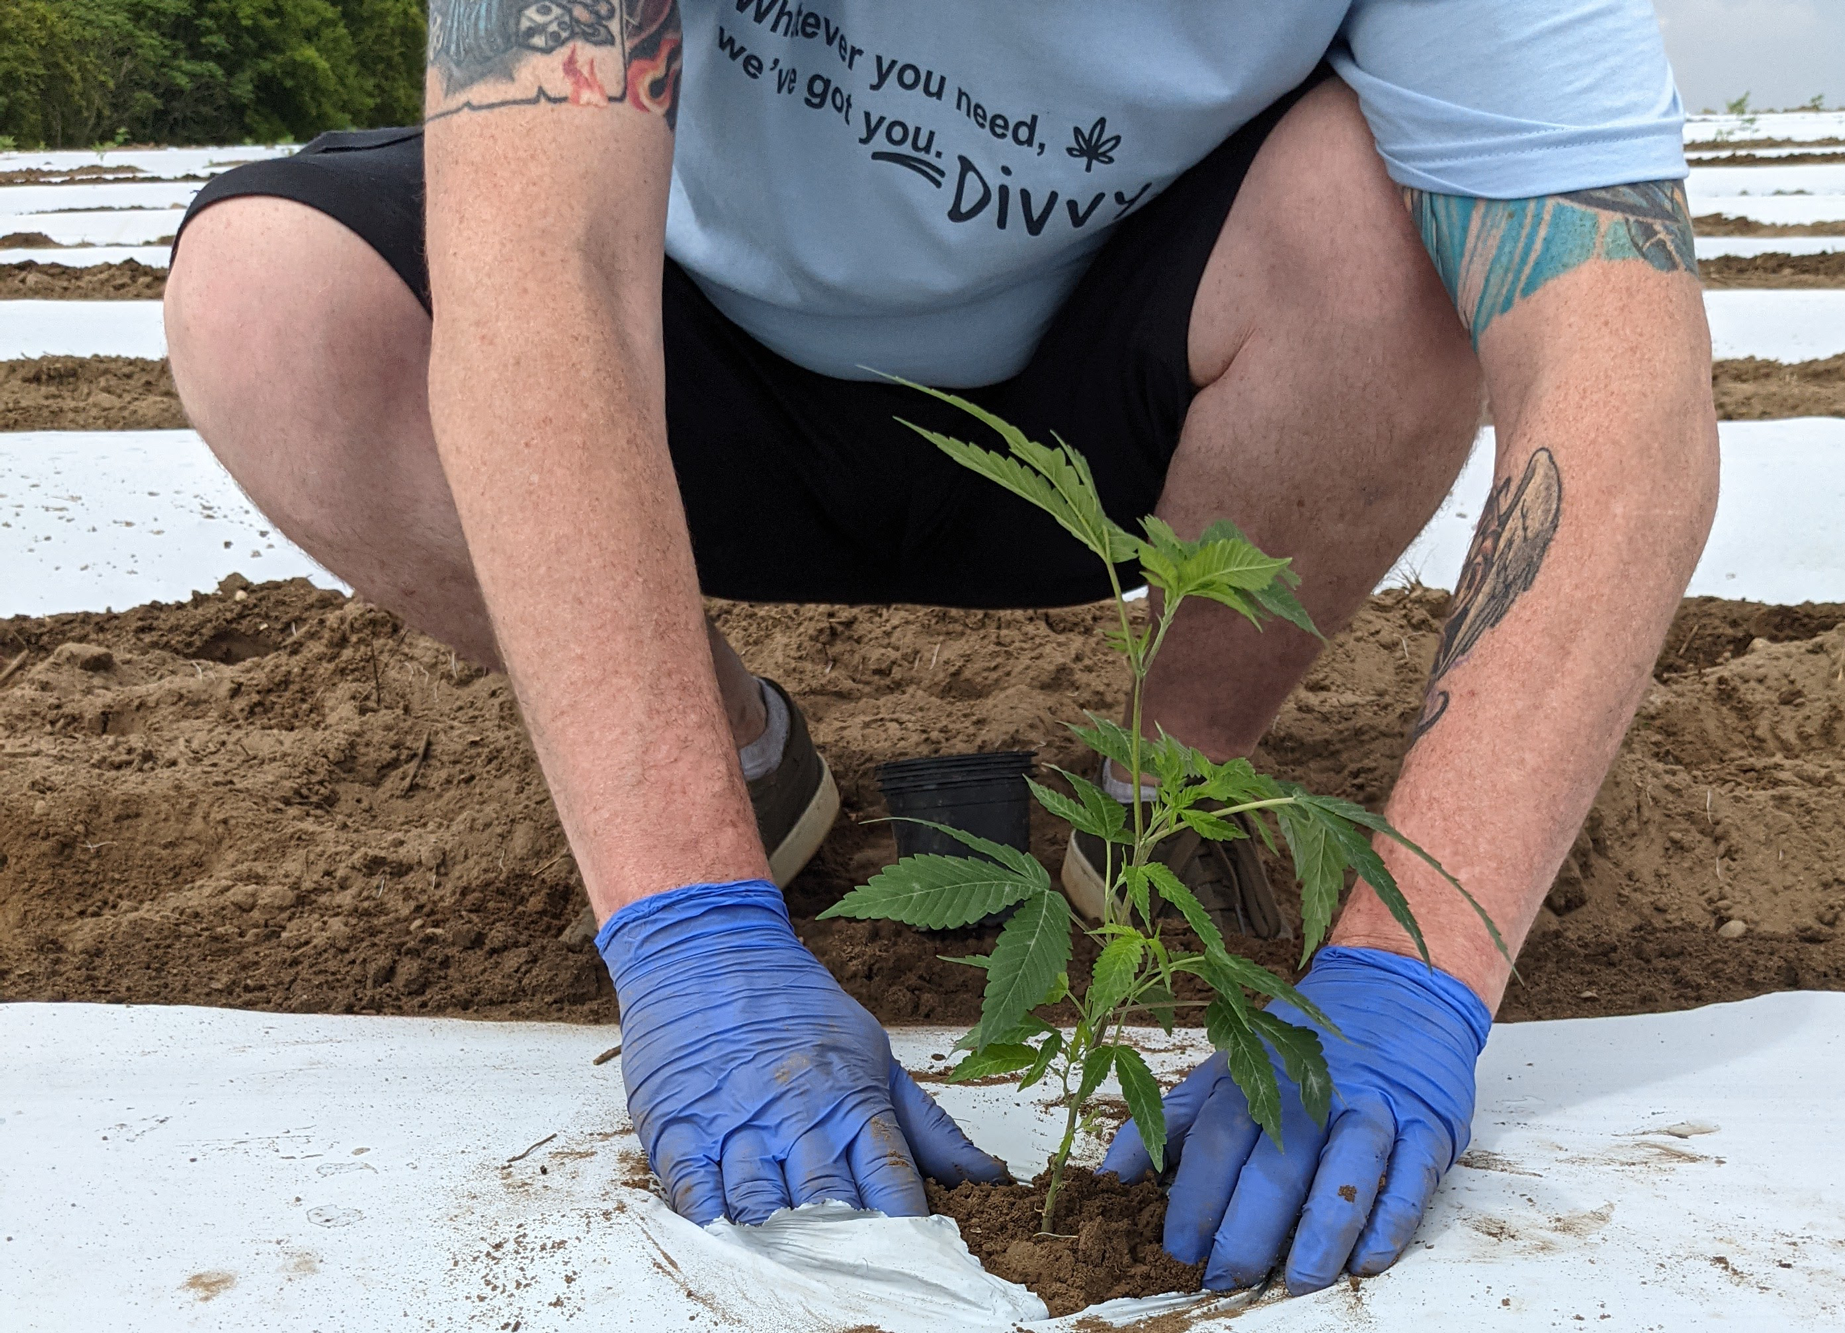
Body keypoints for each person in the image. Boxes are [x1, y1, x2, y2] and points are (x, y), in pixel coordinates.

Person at [163, 0, 1719, 1296]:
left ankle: (1161, 792)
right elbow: (543, 268)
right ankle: (735, 767)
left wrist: (1418, 975)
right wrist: (686, 927)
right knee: (279, 306)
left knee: (1393, 229)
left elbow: (1622, 387)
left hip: (1115, 397)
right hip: (679, 364)